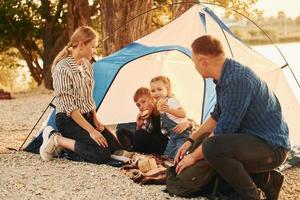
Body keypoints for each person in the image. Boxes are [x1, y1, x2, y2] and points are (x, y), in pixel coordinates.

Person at [174, 35, 290, 199]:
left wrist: (193, 157)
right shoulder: (224, 76)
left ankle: (250, 196)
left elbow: (223, 131)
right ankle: (269, 180)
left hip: (272, 148)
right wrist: (190, 140)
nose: (195, 67)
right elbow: (216, 117)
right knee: (209, 143)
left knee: (212, 147)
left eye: (194, 62)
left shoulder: (237, 79)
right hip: (254, 142)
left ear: (202, 61)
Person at [39, 26, 121, 164]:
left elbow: (88, 97)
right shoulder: (62, 68)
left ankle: (74, 147)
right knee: (101, 154)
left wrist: (95, 120)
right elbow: (70, 109)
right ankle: (56, 139)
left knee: (116, 148)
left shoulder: (86, 65)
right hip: (68, 120)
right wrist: (91, 131)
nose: (94, 51)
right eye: (93, 47)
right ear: (82, 45)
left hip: (86, 117)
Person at [150, 76, 190, 158]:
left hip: (182, 134)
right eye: (153, 91)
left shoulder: (171, 101)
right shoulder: (160, 104)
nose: (156, 93)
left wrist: (170, 110)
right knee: (167, 155)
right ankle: (167, 169)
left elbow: (183, 113)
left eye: (159, 89)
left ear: (167, 89)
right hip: (173, 136)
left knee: (179, 154)